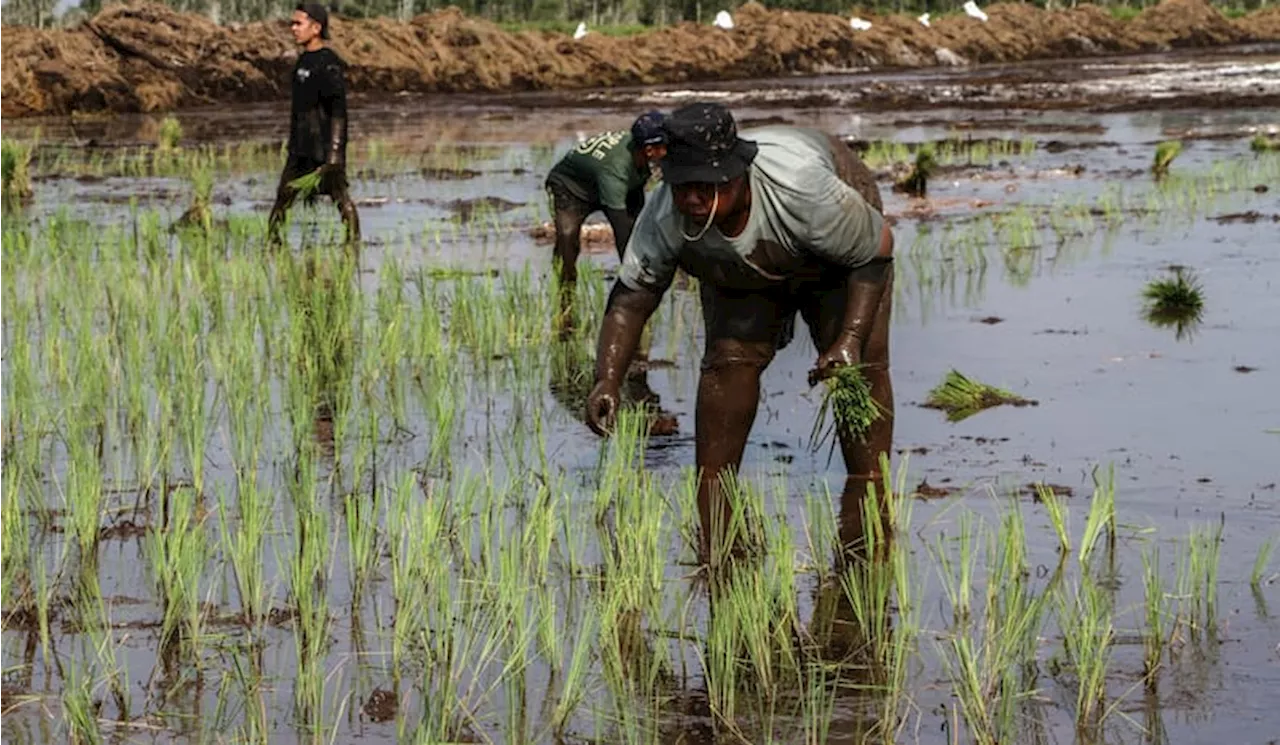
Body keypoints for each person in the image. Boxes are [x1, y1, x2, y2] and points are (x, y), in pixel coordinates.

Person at [584, 102, 895, 566]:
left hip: (838, 258)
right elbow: (632, 298)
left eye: (707, 188)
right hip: (738, 269)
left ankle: (869, 496)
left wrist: (848, 338)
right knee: (728, 362)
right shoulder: (666, 213)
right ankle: (716, 506)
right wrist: (607, 379)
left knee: (857, 371)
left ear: (738, 174)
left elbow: (875, 250)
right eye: (682, 186)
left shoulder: (802, 189)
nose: (692, 200)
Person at [544, 112, 668, 325]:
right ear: (649, 150)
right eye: (665, 146)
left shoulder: (641, 156)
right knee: (568, 238)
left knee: (637, 230)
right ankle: (565, 296)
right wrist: (634, 281)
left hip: (619, 181)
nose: (669, 151)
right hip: (571, 188)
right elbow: (621, 233)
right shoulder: (616, 170)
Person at [268, 2, 361, 249]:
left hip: (323, 148)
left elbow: (338, 112)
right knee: (283, 197)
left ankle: (354, 244)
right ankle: (272, 244)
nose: (293, 28)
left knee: (340, 197)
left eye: (299, 23)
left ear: (316, 27)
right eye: (292, 23)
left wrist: (334, 154)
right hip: (300, 147)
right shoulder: (302, 62)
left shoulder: (328, 63)